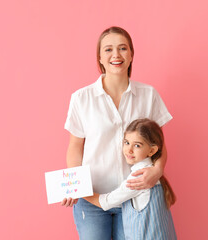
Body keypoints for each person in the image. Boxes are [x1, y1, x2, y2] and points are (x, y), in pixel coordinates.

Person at [61, 26, 173, 240]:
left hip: (135, 197)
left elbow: (160, 146)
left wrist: (157, 171)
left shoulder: (148, 95)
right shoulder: (81, 98)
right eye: (108, 49)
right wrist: (74, 184)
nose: (116, 55)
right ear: (99, 58)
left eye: (122, 48)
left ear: (131, 55)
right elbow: (75, 146)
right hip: (91, 198)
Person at [84, 118, 177, 240]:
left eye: (137, 145)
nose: (129, 150)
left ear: (152, 150)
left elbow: (106, 202)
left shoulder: (139, 178)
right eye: (126, 142)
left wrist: (81, 192)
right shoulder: (153, 175)